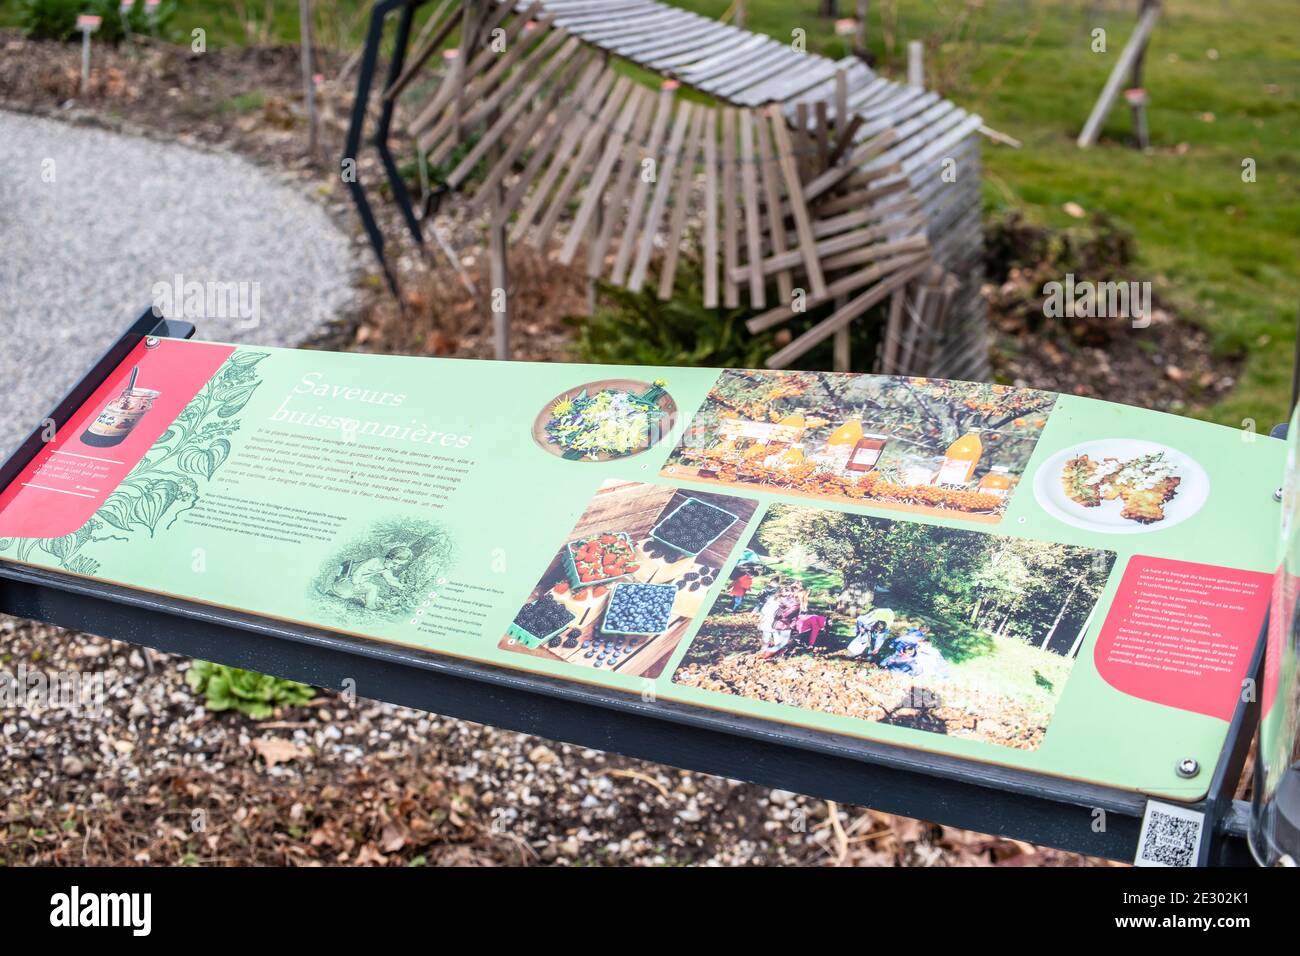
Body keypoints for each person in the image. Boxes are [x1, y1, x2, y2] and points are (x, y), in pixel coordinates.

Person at [329, 546, 413, 610]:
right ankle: (370, 606)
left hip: (353, 586)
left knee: (373, 588)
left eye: (399, 565)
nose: (395, 567)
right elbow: (357, 572)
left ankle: (370, 605)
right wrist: (356, 583)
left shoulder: (385, 568)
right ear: (389, 558)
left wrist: (401, 586)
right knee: (372, 588)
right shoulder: (374, 561)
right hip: (345, 583)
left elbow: (390, 580)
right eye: (395, 563)